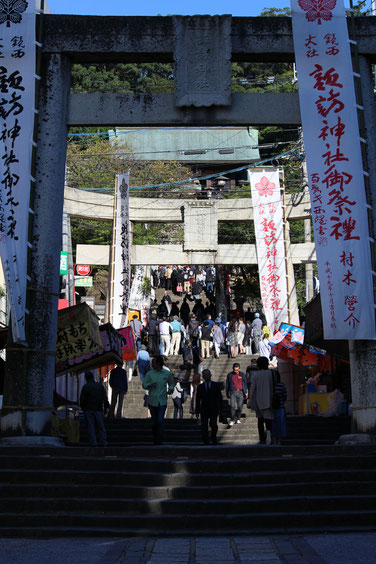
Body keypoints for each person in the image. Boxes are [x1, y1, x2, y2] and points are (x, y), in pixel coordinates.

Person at [142, 355, 174, 445]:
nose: (152, 364)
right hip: (152, 401)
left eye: (153, 363)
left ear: (159, 363)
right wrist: (150, 385)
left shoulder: (167, 373)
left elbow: (172, 383)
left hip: (162, 401)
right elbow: (144, 384)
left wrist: (171, 389)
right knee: (154, 422)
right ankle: (155, 437)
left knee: (160, 420)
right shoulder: (149, 374)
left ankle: (159, 439)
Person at [248, 356, 274, 445]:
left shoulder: (255, 375)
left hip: (258, 401)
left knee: (260, 420)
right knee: (269, 421)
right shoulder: (272, 373)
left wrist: (249, 401)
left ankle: (262, 438)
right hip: (269, 400)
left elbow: (252, 389)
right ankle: (269, 435)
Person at [80, 371, 110, 446]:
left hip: (88, 409)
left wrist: (83, 408)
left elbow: (82, 400)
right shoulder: (100, 386)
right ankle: (103, 441)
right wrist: (106, 408)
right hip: (98, 409)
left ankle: (93, 442)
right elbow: (105, 398)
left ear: (86, 378)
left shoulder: (85, 387)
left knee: (91, 427)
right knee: (101, 426)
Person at [196, 369, 223, 444]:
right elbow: (198, 399)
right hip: (204, 408)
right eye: (205, 375)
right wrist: (197, 410)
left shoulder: (216, 385)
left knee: (214, 424)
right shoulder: (200, 387)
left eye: (208, 374)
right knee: (204, 425)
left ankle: (213, 438)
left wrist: (221, 408)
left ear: (210, 375)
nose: (206, 376)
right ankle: (205, 440)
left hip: (214, 408)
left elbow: (219, 397)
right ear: (203, 376)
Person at [226, 362, 248, 427]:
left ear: (239, 369)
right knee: (232, 406)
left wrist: (246, 392)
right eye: (235, 370)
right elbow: (227, 384)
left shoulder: (242, 374)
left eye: (237, 370)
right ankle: (232, 419)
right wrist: (227, 392)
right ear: (233, 369)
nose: (236, 371)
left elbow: (245, 383)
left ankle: (238, 418)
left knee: (240, 406)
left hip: (241, 392)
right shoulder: (229, 375)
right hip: (233, 392)